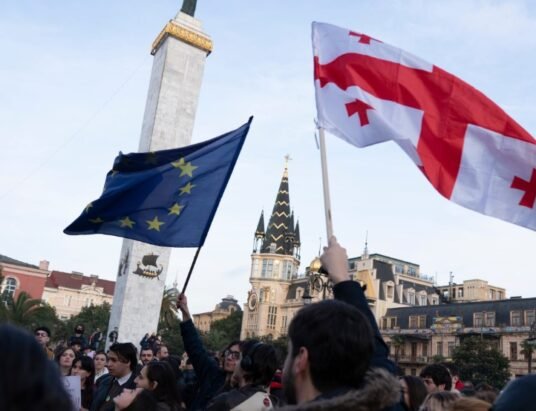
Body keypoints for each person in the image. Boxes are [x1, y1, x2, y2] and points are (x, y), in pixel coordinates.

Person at [280, 236, 401, 411]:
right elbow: (379, 363)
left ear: (301, 359)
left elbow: (377, 358)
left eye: (288, 354)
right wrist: (342, 278)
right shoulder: (383, 403)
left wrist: (342, 280)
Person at [177, 294, 242, 410]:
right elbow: (195, 348)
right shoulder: (212, 373)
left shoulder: (243, 394)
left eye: (236, 355)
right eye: (228, 353)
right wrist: (185, 313)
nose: (229, 357)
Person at [0, 324, 73, 411]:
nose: (39, 337)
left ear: (48, 339)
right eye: (37, 334)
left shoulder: (52, 357)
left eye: (43, 335)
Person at [207, 340, 279, 410]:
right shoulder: (274, 404)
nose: (236, 363)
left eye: (239, 358)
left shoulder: (226, 402)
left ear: (246, 364)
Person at [90, 342, 138, 411]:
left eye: (114, 360)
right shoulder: (103, 380)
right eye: (109, 359)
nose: (108, 364)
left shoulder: (137, 388)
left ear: (128, 362)